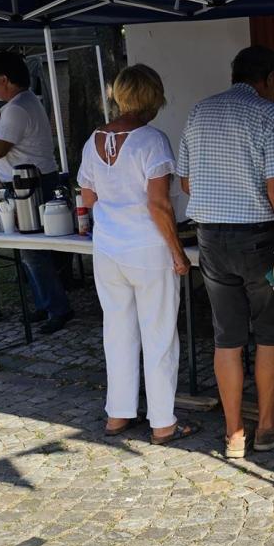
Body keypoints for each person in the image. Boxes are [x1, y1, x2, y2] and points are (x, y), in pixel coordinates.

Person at [177, 45, 274, 459]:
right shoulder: (270, 115)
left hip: (210, 238)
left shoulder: (199, 111)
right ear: (267, 78)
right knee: (269, 335)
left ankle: (233, 434)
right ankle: (266, 425)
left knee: (226, 338)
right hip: (260, 238)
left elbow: (187, 184)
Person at [78, 65, 198, 445]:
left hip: (108, 248)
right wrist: (178, 252)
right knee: (159, 334)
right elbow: (160, 206)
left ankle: (118, 413)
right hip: (148, 249)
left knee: (117, 332)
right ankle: (162, 421)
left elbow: (88, 197)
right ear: (153, 98)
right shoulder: (152, 140)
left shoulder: (92, 140)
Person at [0, 51, 74, 334]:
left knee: (33, 252)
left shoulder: (16, 108)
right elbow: (9, 150)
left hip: (30, 185)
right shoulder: (25, 102)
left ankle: (57, 308)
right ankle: (46, 304)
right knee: (33, 250)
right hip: (31, 181)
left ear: (5, 79)